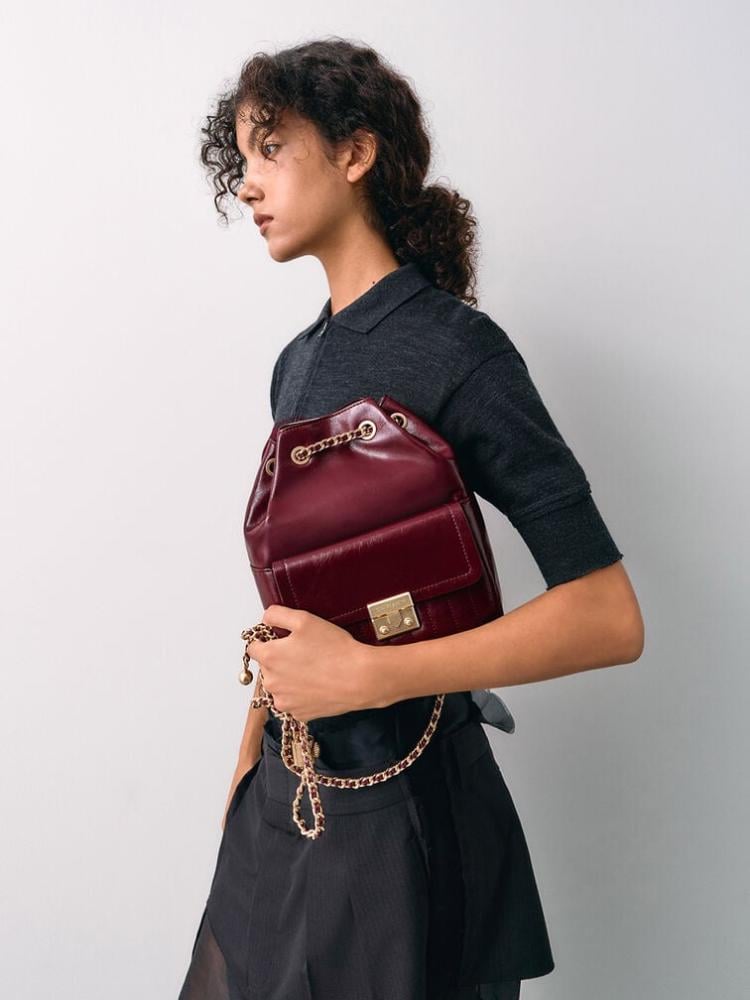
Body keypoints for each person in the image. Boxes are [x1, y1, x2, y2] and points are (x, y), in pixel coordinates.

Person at [178, 37, 644, 1000]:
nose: (248, 184)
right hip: (288, 791)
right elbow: (300, 594)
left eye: (272, 147)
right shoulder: (298, 364)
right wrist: (249, 752)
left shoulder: (458, 350)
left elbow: (608, 616)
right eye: (243, 158)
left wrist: (372, 674)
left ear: (355, 154)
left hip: (411, 805)